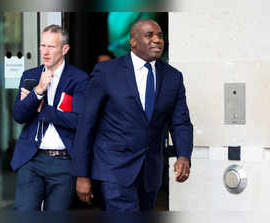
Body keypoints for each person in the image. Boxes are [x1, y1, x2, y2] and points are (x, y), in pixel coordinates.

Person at [72, 19, 193, 212]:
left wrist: (184, 155)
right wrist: (82, 174)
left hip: (150, 173)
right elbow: (87, 123)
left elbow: (181, 123)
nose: (157, 40)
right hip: (113, 170)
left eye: (160, 36)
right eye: (149, 35)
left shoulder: (173, 77)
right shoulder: (107, 72)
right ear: (133, 42)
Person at [11, 24, 89, 211]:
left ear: (65, 49)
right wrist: (37, 91)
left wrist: (43, 109)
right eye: (42, 45)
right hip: (32, 159)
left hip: (64, 163)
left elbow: (79, 122)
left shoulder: (79, 79)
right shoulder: (30, 76)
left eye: (51, 47)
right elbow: (19, 116)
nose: (45, 52)